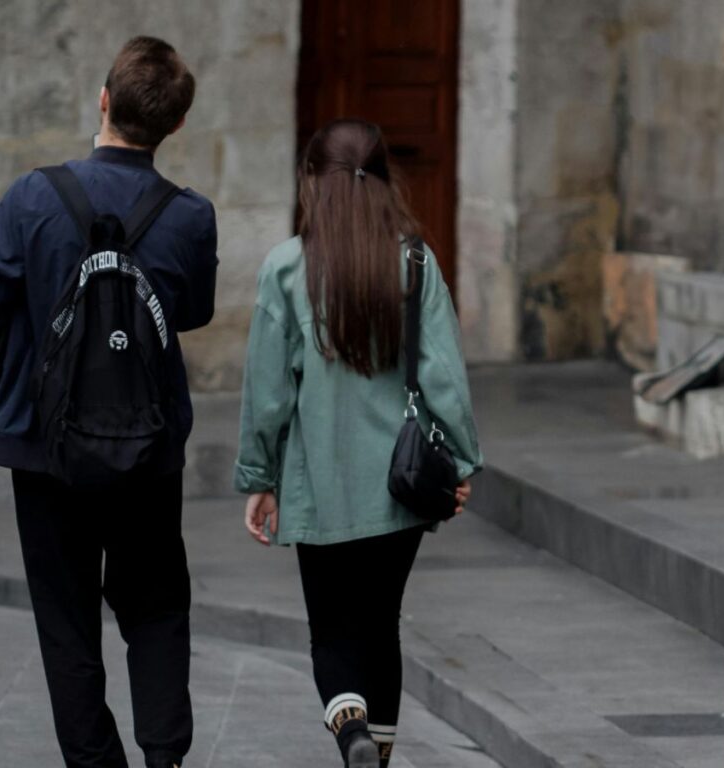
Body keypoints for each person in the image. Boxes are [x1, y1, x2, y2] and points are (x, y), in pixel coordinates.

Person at [0, 37, 217, 768]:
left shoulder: (32, 197)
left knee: (66, 620)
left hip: (45, 447)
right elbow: (192, 311)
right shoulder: (190, 215)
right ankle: (165, 757)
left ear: (102, 101)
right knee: (158, 606)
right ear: (174, 127)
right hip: (149, 440)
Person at [234, 119, 482, 768]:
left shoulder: (286, 268)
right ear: (383, 183)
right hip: (398, 486)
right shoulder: (416, 262)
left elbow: (266, 392)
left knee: (332, 629)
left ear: (312, 184)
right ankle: (378, 755)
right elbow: (445, 378)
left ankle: (351, 735)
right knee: (380, 624)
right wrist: (460, 462)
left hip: (317, 481)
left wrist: (258, 477)